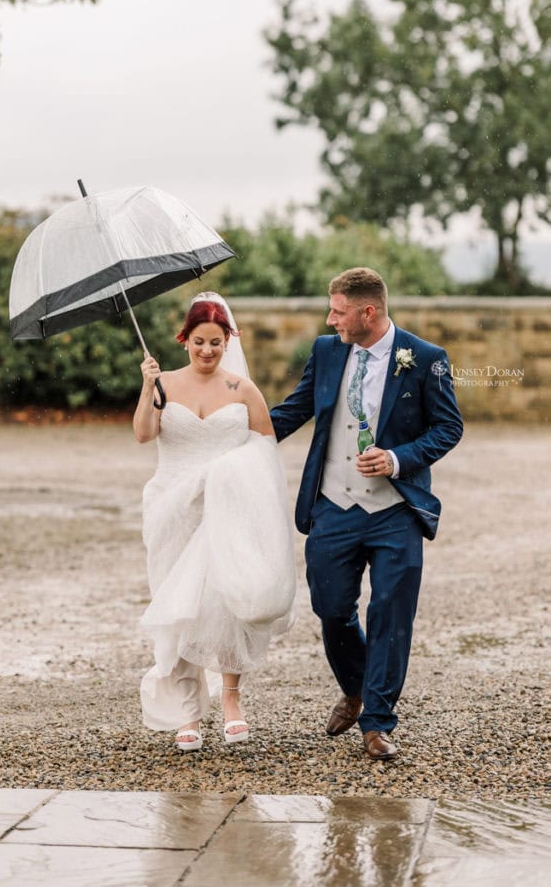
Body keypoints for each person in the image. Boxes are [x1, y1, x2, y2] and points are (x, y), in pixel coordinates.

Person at [270, 268, 463, 760]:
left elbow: (448, 427)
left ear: (368, 312)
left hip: (395, 510)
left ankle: (377, 722)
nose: (330, 319)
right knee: (332, 609)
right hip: (333, 505)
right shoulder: (327, 351)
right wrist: (230, 433)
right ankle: (356, 688)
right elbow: (295, 410)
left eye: (338, 311)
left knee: (391, 615)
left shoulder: (425, 358)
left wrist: (397, 458)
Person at [133, 291, 296, 752]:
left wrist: (230, 474)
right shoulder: (164, 383)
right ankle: (187, 709)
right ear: (184, 339)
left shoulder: (242, 390)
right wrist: (147, 387)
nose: (207, 351)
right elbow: (144, 434)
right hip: (174, 506)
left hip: (227, 505)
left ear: (228, 342)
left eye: (216, 343)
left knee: (226, 599)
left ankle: (230, 697)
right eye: (199, 342)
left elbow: (264, 448)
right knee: (180, 604)